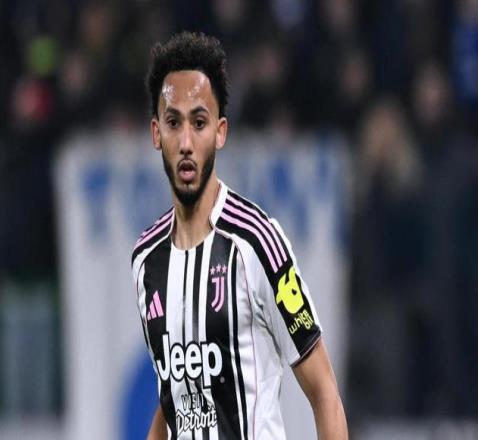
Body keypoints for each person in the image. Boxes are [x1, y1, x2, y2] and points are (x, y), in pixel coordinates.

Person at [131, 31, 348, 440]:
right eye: (174, 123)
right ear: (156, 133)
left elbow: (325, 392)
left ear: (220, 132)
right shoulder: (146, 260)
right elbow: (172, 397)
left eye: (199, 123)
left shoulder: (258, 242)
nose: (186, 142)